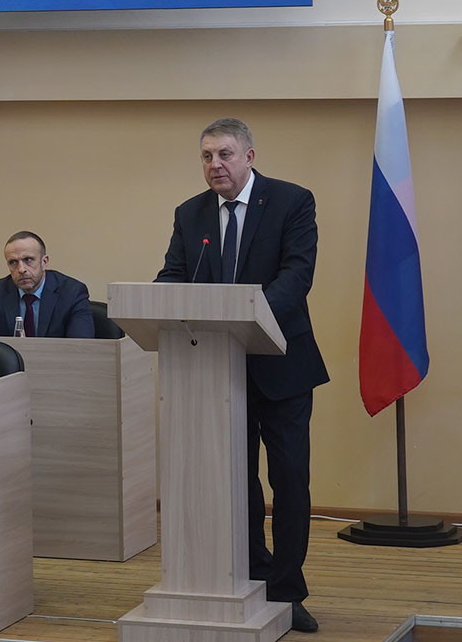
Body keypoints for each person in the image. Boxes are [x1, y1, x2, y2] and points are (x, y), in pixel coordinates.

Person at [154, 117, 327, 634]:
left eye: (225, 154)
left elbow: (296, 277)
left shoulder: (292, 201)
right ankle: (253, 575)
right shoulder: (190, 214)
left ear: (249, 156)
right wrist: (161, 299)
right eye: (207, 157)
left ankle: (288, 590)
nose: (215, 165)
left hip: (282, 366)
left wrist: (247, 317)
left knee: (288, 480)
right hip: (217, 371)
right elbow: (174, 276)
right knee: (236, 480)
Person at [0, 231, 101, 338]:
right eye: (13, 262)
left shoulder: (72, 292)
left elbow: (80, 347)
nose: (21, 269)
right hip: (11, 360)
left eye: (28, 260)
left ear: (44, 262)